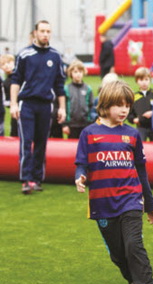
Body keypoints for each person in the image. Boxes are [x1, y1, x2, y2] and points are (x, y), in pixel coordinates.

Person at [74, 80, 153, 284]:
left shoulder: (132, 134)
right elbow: (81, 163)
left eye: (127, 105)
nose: (124, 110)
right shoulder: (89, 134)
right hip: (102, 204)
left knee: (134, 245)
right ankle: (132, 280)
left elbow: (141, 173)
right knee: (118, 254)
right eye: (119, 105)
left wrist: (151, 205)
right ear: (105, 105)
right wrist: (79, 176)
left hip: (130, 200)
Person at [10, 20, 66, 194]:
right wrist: (13, 104)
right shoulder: (24, 54)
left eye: (48, 31)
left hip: (46, 105)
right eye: (42, 31)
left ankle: (37, 178)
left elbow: (59, 85)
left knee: (41, 143)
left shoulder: (56, 56)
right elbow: (15, 81)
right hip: (27, 104)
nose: (45, 34)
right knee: (26, 142)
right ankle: (26, 180)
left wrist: (62, 108)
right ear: (35, 33)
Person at [62, 60, 94, 139]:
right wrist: (65, 124)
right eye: (75, 72)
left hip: (85, 124)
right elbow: (64, 108)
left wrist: (91, 122)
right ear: (71, 73)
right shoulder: (66, 89)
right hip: (72, 125)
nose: (78, 74)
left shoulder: (88, 89)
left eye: (80, 71)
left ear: (83, 72)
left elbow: (91, 106)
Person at [128, 67, 153, 142]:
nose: (144, 82)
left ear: (150, 80)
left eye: (146, 79)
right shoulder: (133, 97)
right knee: (140, 145)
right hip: (141, 127)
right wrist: (133, 119)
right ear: (137, 81)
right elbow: (129, 113)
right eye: (141, 80)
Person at [0, 54, 16, 136]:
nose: (6, 66)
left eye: (8, 62)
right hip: (15, 113)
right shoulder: (5, 82)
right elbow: (5, 100)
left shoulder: (23, 76)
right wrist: (13, 103)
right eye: (3, 64)